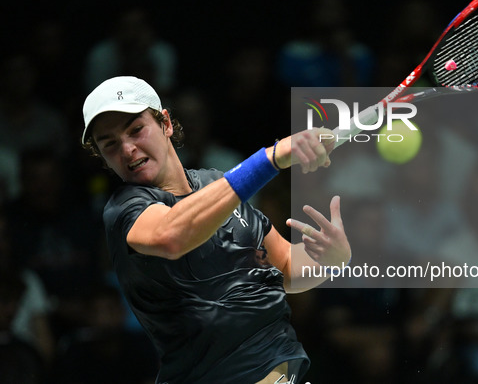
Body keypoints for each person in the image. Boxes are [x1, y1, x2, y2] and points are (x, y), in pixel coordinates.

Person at [81, 76, 351, 383]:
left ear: (166, 123)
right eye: (110, 144)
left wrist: (330, 259)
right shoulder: (125, 209)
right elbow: (172, 236)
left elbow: (288, 266)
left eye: (136, 130)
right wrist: (271, 157)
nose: (128, 149)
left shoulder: (215, 184)